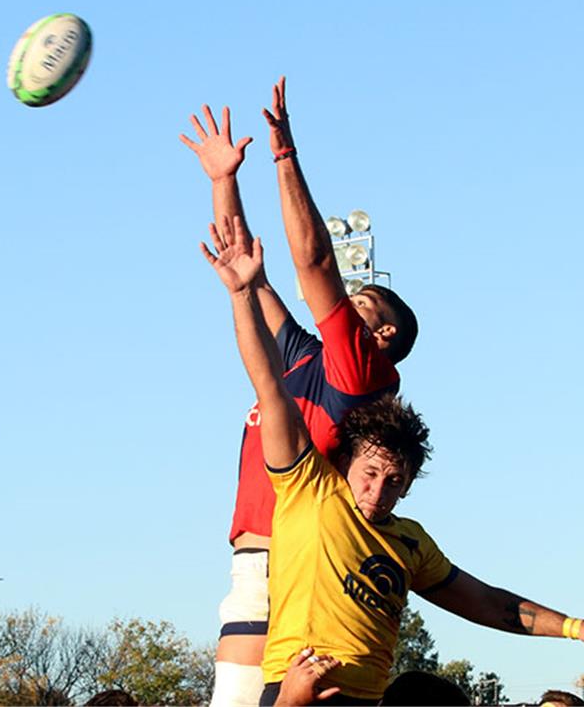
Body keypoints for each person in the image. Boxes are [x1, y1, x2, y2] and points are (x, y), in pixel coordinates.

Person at [200, 216, 584, 706]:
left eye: (394, 481)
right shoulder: (310, 491)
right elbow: (269, 383)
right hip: (297, 693)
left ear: (408, 485)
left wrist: (573, 627)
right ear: (345, 462)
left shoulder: (410, 542)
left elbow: (486, 602)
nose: (377, 491)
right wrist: (241, 294)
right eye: (370, 474)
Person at [181, 78, 419, 707]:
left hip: (296, 564)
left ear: (384, 334)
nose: (346, 301)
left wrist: (285, 157)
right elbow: (243, 267)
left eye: (363, 301)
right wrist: (223, 180)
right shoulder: (309, 357)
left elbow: (315, 263)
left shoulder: (366, 372)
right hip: (253, 560)